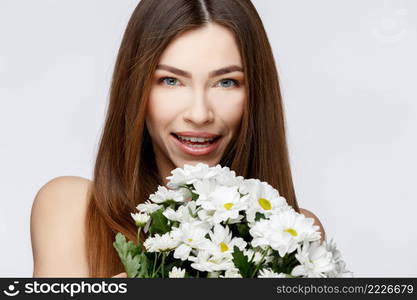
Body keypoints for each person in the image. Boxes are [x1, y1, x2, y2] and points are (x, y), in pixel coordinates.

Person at [30, 0, 325, 278]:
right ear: (136, 90)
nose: (199, 114)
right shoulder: (73, 208)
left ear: (255, 95)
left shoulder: (296, 231)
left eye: (226, 82)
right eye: (171, 80)